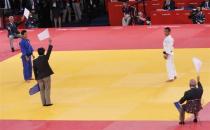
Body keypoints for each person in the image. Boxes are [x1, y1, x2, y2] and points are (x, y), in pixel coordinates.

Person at [33, 38, 54, 106]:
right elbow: (49, 51)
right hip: (46, 76)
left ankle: (43, 103)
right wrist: (50, 43)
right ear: (44, 52)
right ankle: (48, 102)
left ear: (38, 52)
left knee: (41, 90)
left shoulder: (35, 61)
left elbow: (35, 70)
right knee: (47, 89)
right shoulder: (45, 57)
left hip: (39, 77)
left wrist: (36, 78)